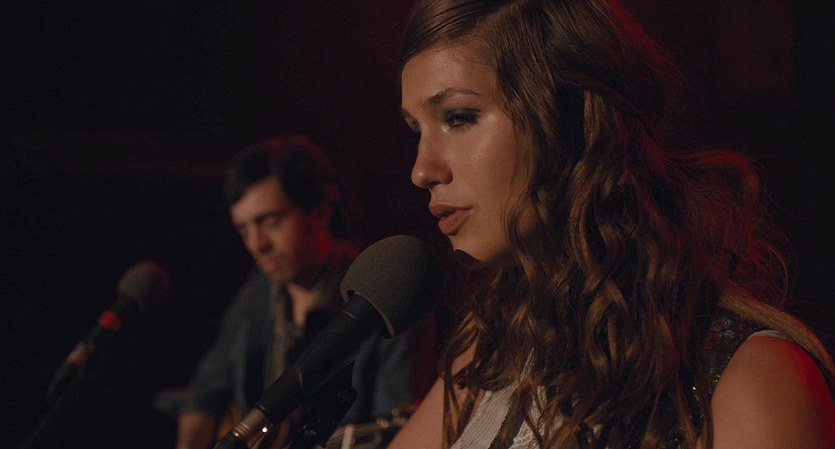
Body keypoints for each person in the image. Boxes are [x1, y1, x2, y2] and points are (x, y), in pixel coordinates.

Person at [389, 1, 835, 448]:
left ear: (572, 119)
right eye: (415, 131)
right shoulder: (490, 358)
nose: (421, 170)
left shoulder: (753, 379)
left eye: (459, 118)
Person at [173, 134, 421, 449]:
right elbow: (205, 393)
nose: (257, 244)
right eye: (244, 230)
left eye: (270, 221)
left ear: (319, 212)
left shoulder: (385, 296)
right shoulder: (257, 294)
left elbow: (400, 431)